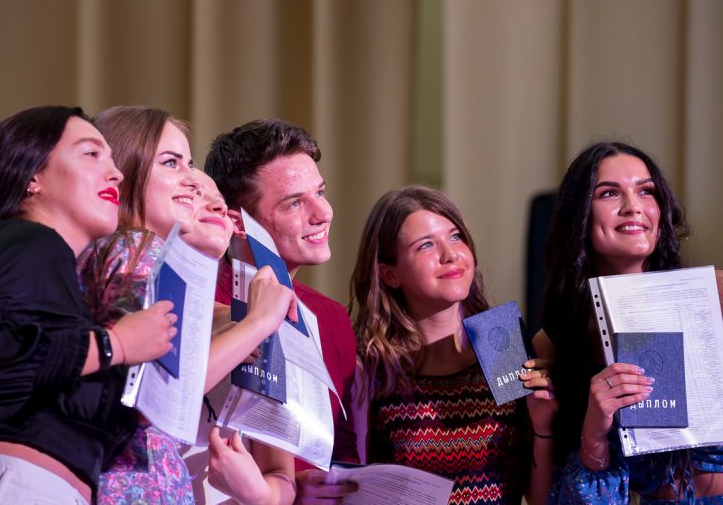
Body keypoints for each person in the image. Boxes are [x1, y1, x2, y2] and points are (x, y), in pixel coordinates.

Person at [0, 106, 177, 504]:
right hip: (10, 486)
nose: (116, 174)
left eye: (113, 160)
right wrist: (114, 344)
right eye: (91, 154)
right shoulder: (23, 240)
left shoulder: (45, 268)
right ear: (31, 176)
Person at [79, 106, 296, 505]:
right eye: (171, 163)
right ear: (123, 173)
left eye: (190, 163)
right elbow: (162, 395)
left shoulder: (144, 255)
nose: (194, 182)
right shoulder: (134, 248)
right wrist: (257, 322)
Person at [538, 141, 723, 503]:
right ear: (579, 215)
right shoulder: (555, 342)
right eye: (609, 193)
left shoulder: (715, 296)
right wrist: (594, 434)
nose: (633, 206)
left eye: (646, 191)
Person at [350, 185, 556, 505]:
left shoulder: (500, 342)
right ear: (390, 274)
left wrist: (543, 425)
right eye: (427, 245)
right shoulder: (372, 367)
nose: (450, 255)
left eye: (456, 237)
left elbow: (540, 498)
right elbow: (355, 488)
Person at [204, 118, 361, 501]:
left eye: (320, 192)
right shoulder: (204, 302)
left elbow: (337, 449)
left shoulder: (331, 318)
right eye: (295, 203)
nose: (322, 213)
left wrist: (314, 484)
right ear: (238, 223)